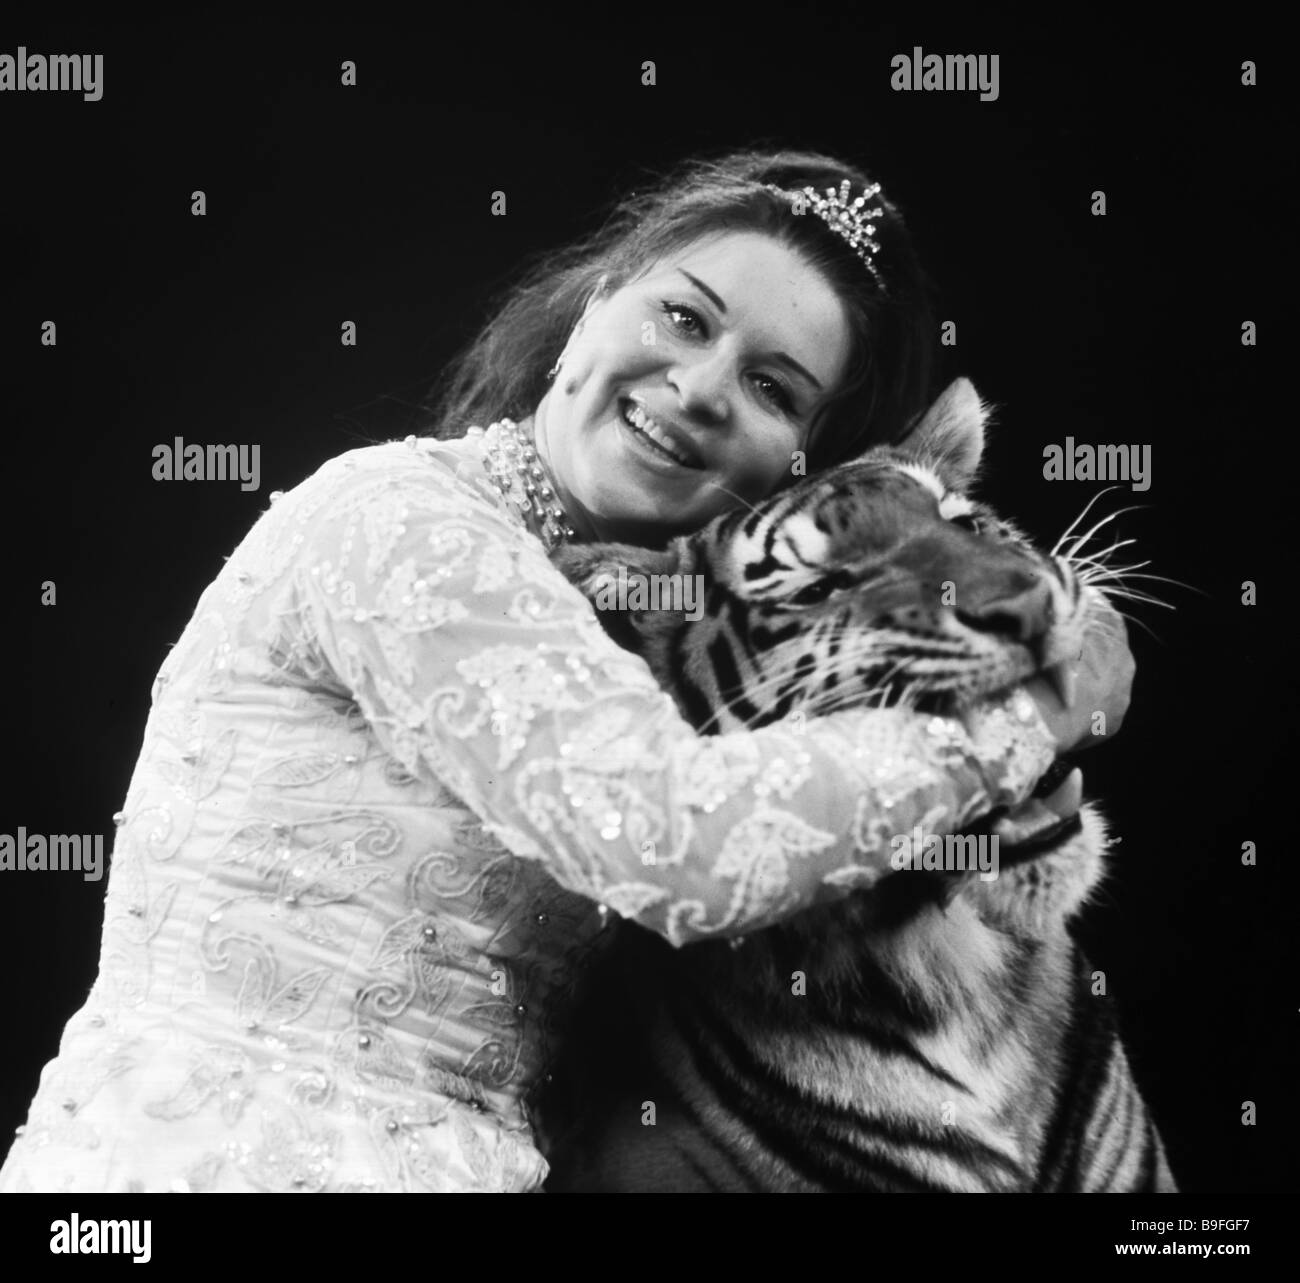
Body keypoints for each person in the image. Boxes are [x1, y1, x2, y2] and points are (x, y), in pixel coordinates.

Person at [0, 149, 1133, 1193]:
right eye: (683, 317)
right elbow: (669, 838)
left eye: (774, 388)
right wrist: (1024, 718)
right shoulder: (397, 518)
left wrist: (1023, 638)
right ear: (594, 303)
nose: (702, 386)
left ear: (795, 468)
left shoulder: (671, 645)